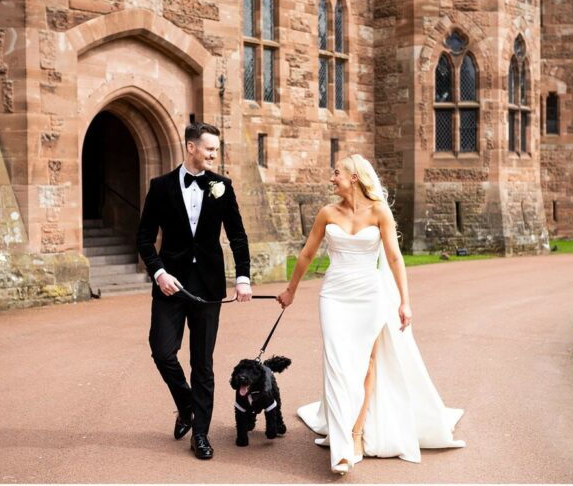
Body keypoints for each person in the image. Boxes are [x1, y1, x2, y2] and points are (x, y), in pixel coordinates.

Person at [277, 154, 465, 475]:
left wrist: (405, 302)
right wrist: (291, 291)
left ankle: (356, 433)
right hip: (334, 296)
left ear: (354, 177)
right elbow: (307, 254)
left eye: (336, 172)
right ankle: (341, 452)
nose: (331, 178)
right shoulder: (327, 213)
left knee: (366, 366)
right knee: (337, 367)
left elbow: (394, 258)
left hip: (369, 296)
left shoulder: (380, 212)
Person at [137, 122, 252, 460]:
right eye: (209, 149)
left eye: (216, 149)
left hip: (208, 287)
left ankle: (200, 434)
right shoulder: (160, 187)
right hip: (169, 285)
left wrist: (243, 277)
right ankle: (187, 404)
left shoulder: (222, 186)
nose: (214, 154)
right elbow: (144, 237)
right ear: (191, 147)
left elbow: (237, 235)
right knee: (162, 352)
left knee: (202, 363)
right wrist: (159, 272)